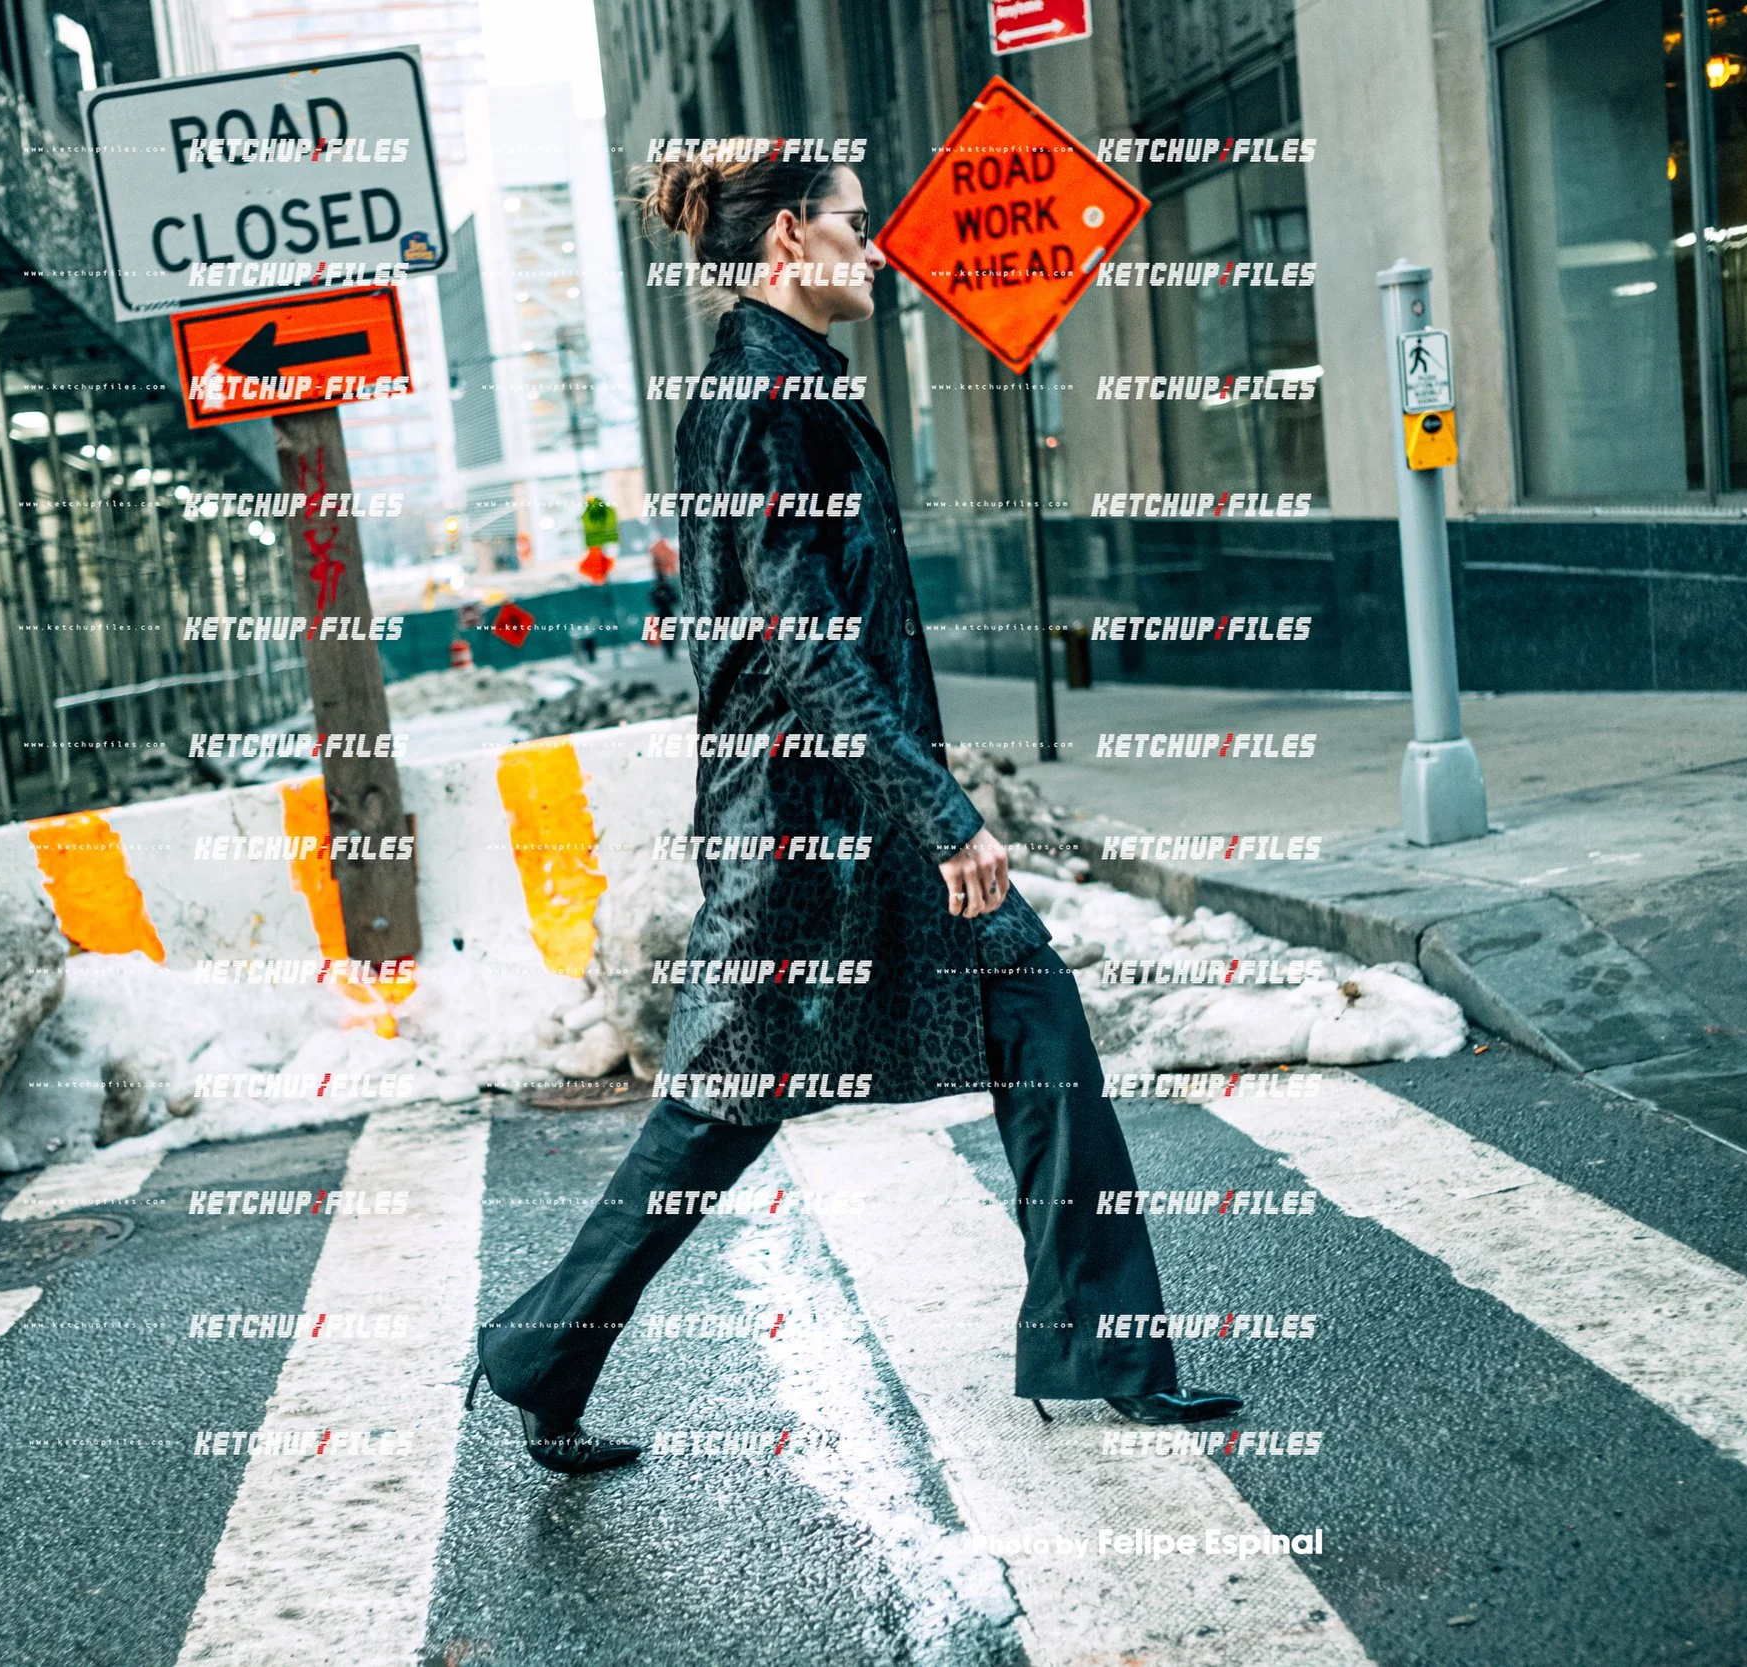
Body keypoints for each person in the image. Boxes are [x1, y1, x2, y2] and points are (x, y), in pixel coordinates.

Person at [469, 152, 1241, 1474]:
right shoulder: (761, 395)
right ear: (787, 243)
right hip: (813, 834)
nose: (874, 250)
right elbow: (803, 646)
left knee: (1032, 1020)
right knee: (716, 1109)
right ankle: (544, 1347)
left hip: (851, 816)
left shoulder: (784, 382)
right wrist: (945, 816)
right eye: (849, 223)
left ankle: (1109, 1348)